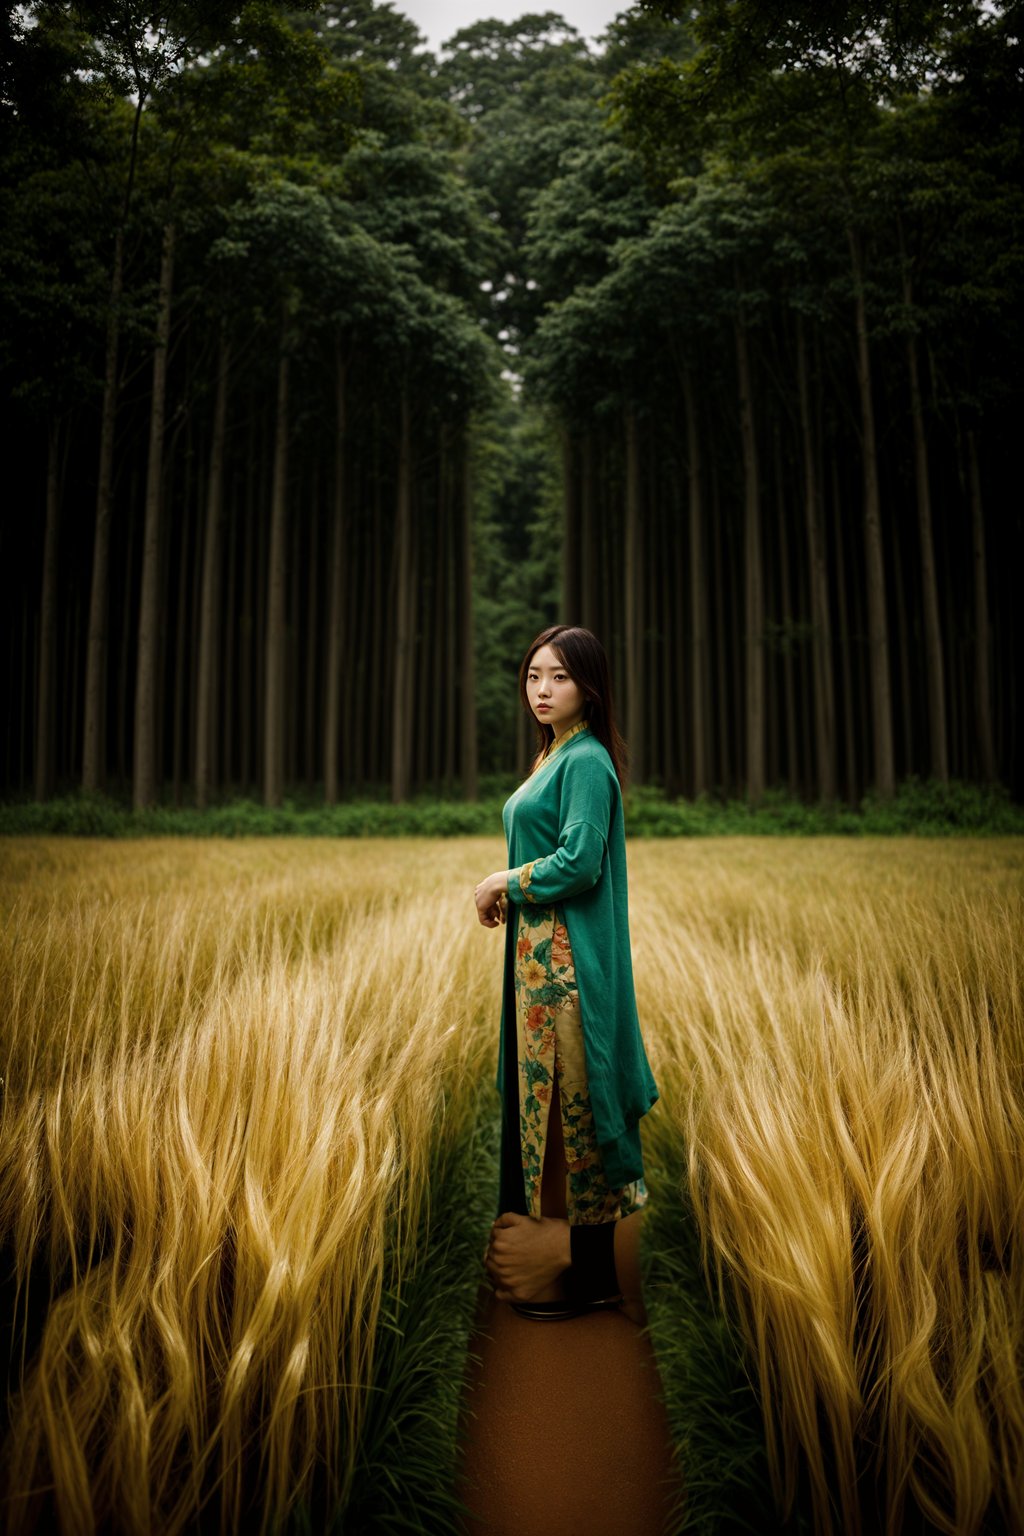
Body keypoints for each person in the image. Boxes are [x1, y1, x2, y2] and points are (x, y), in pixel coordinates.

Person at [474, 625, 659, 1324]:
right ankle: (564, 1254)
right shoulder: (555, 754)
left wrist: (504, 881)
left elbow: (579, 862)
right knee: (541, 1101)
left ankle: (581, 1267)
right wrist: (513, 893)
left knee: (563, 1103)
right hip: (536, 966)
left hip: (564, 969)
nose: (542, 690)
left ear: (588, 686)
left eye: (558, 677)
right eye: (532, 677)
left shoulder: (586, 761)